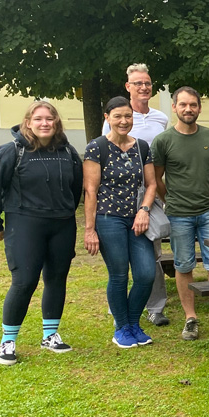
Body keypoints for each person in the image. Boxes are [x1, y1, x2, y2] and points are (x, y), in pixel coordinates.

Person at [0, 100, 83, 366]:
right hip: (25, 225)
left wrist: (65, 211)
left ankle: (50, 336)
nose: (44, 123)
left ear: (56, 122)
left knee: (56, 279)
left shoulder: (68, 152)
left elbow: (75, 188)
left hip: (62, 225)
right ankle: (7, 342)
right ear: (28, 123)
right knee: (24, 281)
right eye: (38, 119)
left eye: (50, 119)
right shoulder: (12, 151)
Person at [152, 86, 209, 342]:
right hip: (179, 215)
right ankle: (191, 319)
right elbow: (156, 179)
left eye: (193, 104)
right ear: (174, 107)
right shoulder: (163, 141)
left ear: (199, 108)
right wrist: (170, 200)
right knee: (183, 266)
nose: (188, 109)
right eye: (183, 104)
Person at [84, 97, 159, 349]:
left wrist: (144, 210)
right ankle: (122, 328)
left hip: (137, 220)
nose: (124, 121)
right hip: (108, 219)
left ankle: (133, 323)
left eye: (128, 116)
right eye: (117, 116)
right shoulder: (96, 147)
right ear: (107, 118)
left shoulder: (142, 147)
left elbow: (151, 184)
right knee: (118, 275)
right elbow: (90, 191)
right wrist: (90, 230)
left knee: (146, 274)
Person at [104, 64, 171, 327]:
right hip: (120, 196)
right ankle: (118, 307)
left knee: (152, 252)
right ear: (128, 87)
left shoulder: (161, 118)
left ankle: (155, 307)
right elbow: (107, 152)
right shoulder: (116, 117)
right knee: (119, 256)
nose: (144, 87)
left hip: (150, 191)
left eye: (147, 83)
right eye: (138, 83)